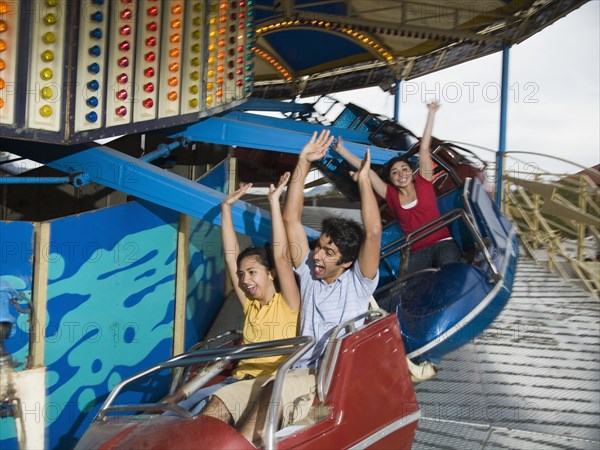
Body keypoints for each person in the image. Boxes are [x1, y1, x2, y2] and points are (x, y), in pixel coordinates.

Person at [201, 130, 382, 445]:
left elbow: (375, 232)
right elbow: (291, 218)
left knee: (269, 402)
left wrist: (364, 182)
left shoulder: (357, 282)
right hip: (291, 369)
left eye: (328, 253)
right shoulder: (310, 275)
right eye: (319, 246)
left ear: (347, 263)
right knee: (220, 401)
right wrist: (303, 162)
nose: (317, 255)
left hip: (322, 378)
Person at [164, 173, 300, 415]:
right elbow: (230, 254)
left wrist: (274, 202)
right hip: (235, 381)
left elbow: (281, 257)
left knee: (202, 417)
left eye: (252, 272)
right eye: (241, 274)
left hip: (263, 386)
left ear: (270, 274)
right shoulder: (250, 305)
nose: (245, 280)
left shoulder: (288, 303)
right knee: (169, 413)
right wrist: (226, 208)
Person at [335, 102, 461, 274]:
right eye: (395, 172)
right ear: (391, 179)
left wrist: (431, 113)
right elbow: (368, 172)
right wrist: (341, 150)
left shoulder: (424, 181)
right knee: (412, 285)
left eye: (404, 169)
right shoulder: (390, 195)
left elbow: (424, 148)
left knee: (449, 271)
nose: (401, 174)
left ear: (411, 172)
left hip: (443, 242)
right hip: (419, 251)